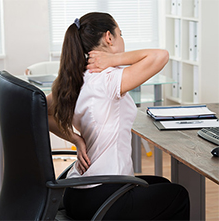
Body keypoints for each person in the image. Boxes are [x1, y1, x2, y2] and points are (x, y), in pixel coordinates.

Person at [47, 12, 190, 220]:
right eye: (120, 34)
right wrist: (114, 59)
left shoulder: (74, 77)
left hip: (75, 193)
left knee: (163, 186)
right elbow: (161, 56)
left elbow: (40, 110)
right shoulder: (108, 78)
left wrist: (76, 139)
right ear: (109, 37)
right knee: (179, 196)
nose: (123, 40)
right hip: (104, 196)